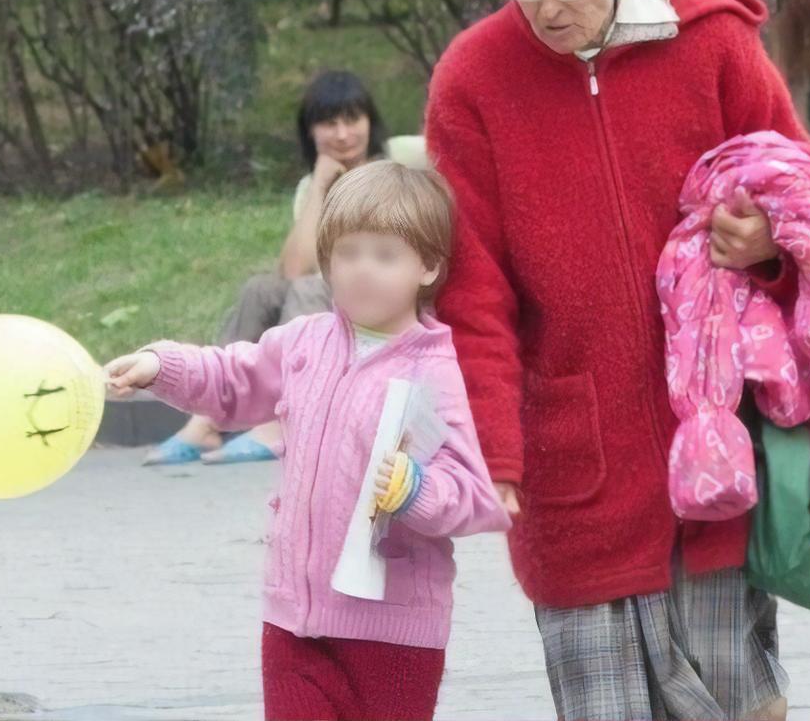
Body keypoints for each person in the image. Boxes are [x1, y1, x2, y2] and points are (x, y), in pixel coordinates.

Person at [424, 0, 810, 721]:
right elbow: (470, 285)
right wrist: (492, 443)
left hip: (713, 437)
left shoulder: (713, 45)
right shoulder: (474, 78)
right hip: (572, 451)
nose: (547, 2)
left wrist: (769, 245)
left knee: (738, 700)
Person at [105, 160, 511, 721]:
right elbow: (233, 378)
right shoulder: (304, 341)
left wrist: (415, 490)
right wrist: (161, 365)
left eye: (384, 255)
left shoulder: (439, 370)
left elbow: (472, 493)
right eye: (347, 254)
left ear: (428, 266)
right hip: (293, 621)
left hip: (393, 635)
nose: (362, 270)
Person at [145, 69, 388, 466]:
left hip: (386, 292)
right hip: (332, 288)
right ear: (311, 132)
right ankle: (207, 420)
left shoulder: (391, 173)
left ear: (369, 123)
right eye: (329, 123)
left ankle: (283, 421)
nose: (343, 134)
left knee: (307, 290)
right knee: (261, 288)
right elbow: (292, 268)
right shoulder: (314, 183)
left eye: (352, 120)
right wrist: (320, 187)